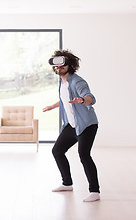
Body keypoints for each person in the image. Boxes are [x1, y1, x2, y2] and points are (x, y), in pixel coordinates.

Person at [42, 49, 100, 202]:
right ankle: (67, 183)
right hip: (72, 125)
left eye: (62, 66)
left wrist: (82, 100)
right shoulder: (62, 82)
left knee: (84, 155)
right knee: (57, 151)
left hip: (86, 125)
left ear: (70, 66)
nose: (59, 69)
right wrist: (52, 106)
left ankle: (95, 191)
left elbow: (90, 98)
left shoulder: (77, 81)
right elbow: (64, 100)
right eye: (57, 67)